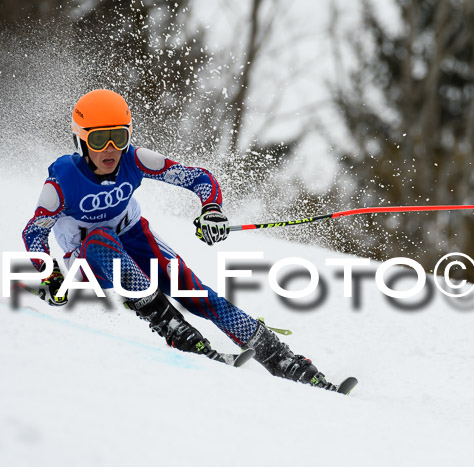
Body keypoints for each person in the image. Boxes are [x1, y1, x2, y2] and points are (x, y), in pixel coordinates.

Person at [21, 89, 339, 391]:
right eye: (99, 138)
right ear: (80, 140)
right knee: (99, 239)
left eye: (119, 137)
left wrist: (211, 209)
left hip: (133, 237)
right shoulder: (62, 180)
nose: (110, 149)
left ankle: (285, 360)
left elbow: (198, 178)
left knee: (196, 293)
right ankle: (179, 333)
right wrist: (49, 273)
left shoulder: (135, 159)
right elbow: (34, 232)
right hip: (88, 260)